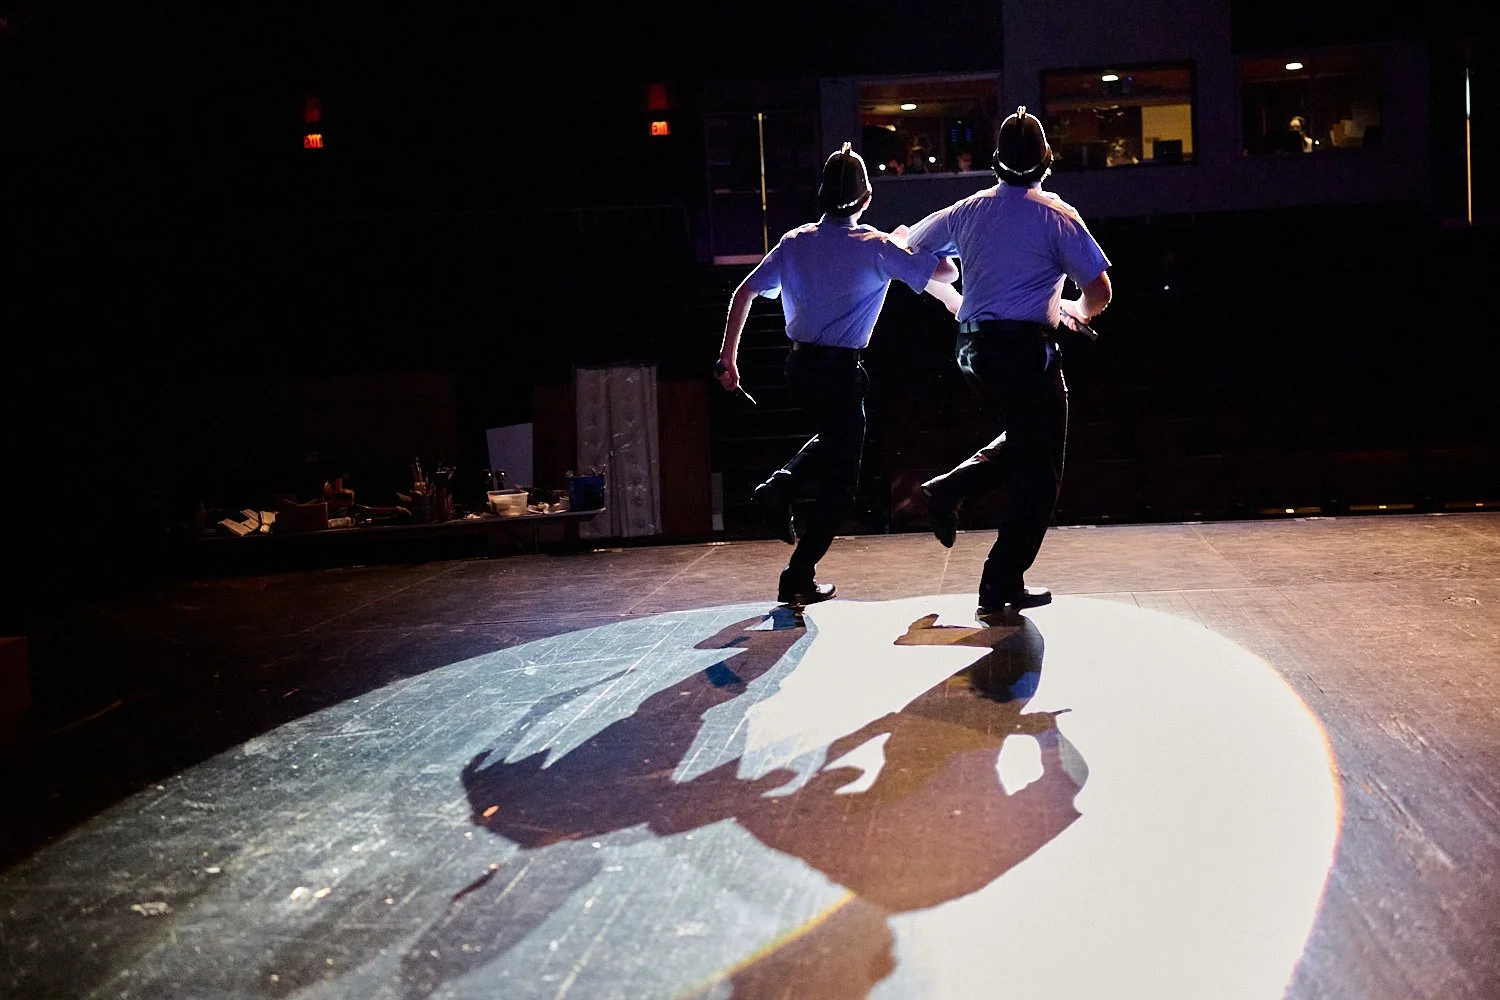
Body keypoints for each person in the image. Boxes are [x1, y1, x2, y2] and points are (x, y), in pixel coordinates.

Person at [716, 142, 960, 608]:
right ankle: (798, 574)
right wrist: (907, 243)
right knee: (842, 482)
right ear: (866, 198)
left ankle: (782, 485)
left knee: (835, 444)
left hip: (800, 366)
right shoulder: (876, 246)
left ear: (823, 196)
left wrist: (729, 357)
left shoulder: (795, 241)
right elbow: (946, 274)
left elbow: (743, 293)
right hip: (839, 373)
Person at [903, 106, 1112, 623]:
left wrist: (950, 280)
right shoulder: (1056, 215)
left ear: (996, 163)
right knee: (1042, 469)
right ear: (1046, 163)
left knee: (1026, 443)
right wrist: (1074, 313)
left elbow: (910, 246)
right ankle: (996, 577)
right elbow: (1100, 291)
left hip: (972, 349)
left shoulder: (968, 209)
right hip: (1024, 350)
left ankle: (953, 499)